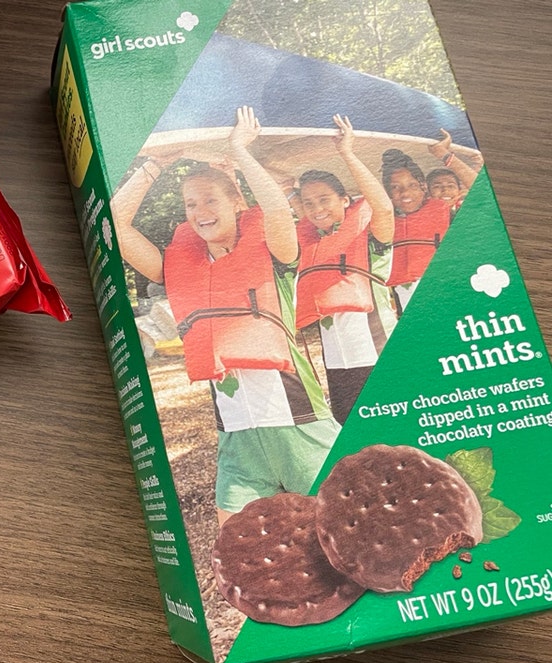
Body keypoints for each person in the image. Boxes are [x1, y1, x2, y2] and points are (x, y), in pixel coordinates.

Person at [113, 107, 339, 526]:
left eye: (211, 199)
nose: (200, 210)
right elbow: (114, 224)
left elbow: (276, 212)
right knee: (236, 553)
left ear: (236, 201)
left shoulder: (276, 252)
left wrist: (241, 151)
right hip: (236, 439)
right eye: (190, 203)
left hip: (301, 424)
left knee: (345, 540)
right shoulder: (176, 267)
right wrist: (154, 165)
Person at [285, 116, 396, 424]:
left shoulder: (372, 235)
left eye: (325, 200)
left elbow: (384, 207)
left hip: (377, 352)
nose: (316, 208)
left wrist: (347, 152)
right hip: (336, 362)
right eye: (309, 203)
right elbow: (311, 216)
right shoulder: (316, 241)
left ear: (346, 200)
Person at [382, 132, 480, 312]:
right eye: (395, 188)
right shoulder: (385, 220)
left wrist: (444, 154)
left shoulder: (452, 214)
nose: (405, 193)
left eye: (412, 185)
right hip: (407, 295)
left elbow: (481, 189)